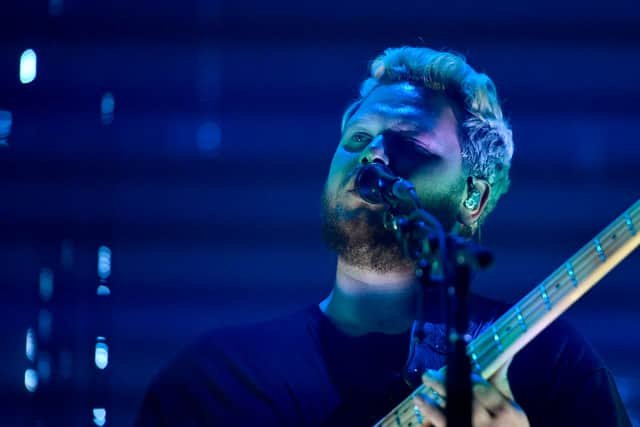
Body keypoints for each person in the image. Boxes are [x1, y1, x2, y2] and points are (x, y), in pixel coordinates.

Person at [134, 46, 631, 426]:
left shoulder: (551, 363)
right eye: (356, 138)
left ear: (472, 197)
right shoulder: (215, 383)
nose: (371, 154)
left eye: (409, 142)